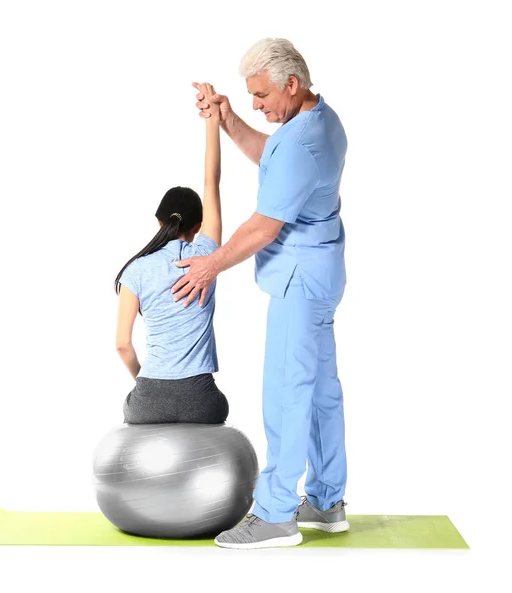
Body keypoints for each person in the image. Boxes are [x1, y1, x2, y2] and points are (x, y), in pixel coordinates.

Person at [171, 39, 349, 549]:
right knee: (319, 391)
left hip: (299, 282)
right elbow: (272, 160)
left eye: (260, 95)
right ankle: (326, 500)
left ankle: (274, 515)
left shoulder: (300, 142)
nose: (255, 105)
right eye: (248, 97)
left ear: (291, 84)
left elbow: (263, 226)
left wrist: (210, 265)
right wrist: (226, 120)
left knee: (287, 394)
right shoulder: (320, 119)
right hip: (323, 274)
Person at [115, 84, 228, 425]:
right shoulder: (206, 255)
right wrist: (211, 119)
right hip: (201, 399)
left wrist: (146, 388)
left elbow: (123, 345)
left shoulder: (135, 270)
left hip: (150, 396)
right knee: (219, 405)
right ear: (200, 225)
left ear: (159, 221)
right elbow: (212, 181)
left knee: (133, 405)